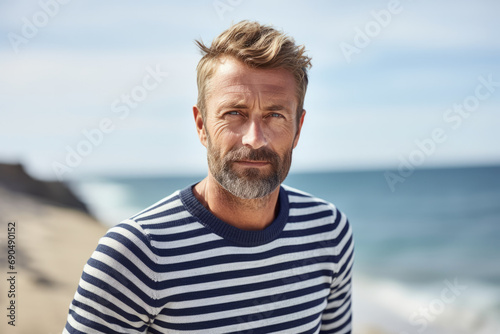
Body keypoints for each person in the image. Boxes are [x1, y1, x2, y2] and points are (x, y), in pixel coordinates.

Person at [64, 20, 353, 333]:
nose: (254, 139)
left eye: (275, 115)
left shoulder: (328, 231)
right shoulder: (137, 252)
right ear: (201, 125)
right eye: (234, 113)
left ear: (298, 128)